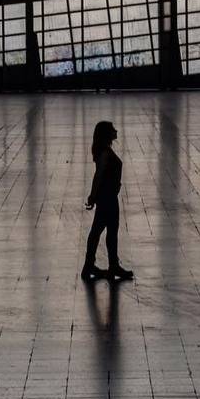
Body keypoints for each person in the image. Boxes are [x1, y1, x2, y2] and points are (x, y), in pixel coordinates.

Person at [81, 120, 134, 281]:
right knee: (101, 231)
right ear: (106, 133)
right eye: (112, 129)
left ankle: (100, 265)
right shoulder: (105, 152)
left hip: (109, 196)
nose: (116, 131)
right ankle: (100, 266)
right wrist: (92, 195)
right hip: (107, 198)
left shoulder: (106, 150)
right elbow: (98, 176)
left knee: (105, 231)